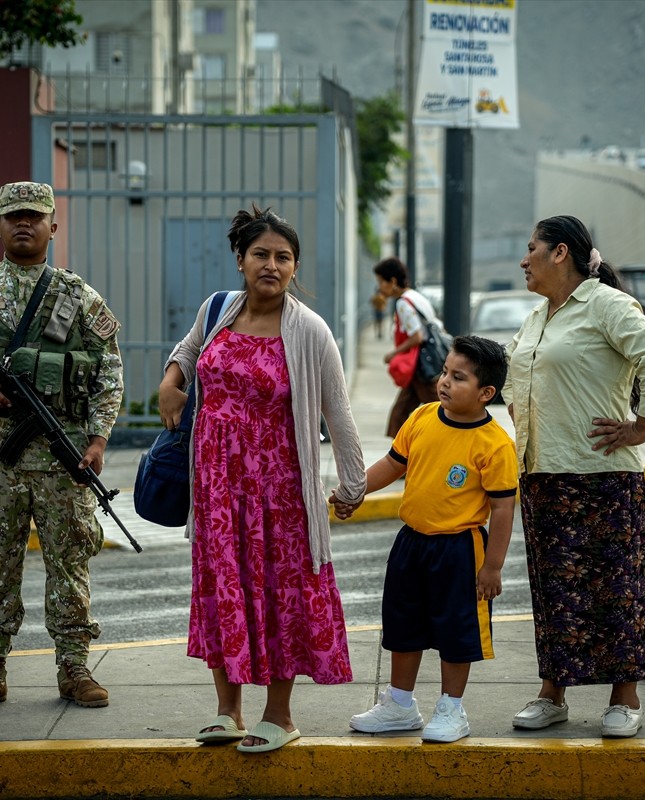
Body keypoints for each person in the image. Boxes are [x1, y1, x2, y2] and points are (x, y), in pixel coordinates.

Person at [158, 204, 367, 754]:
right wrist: (170, 381)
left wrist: (351, 486)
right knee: (223, 589)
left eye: (283, 257)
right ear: (240, 260)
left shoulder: (310, 330)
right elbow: (188, 349)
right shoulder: (217, 310)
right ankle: (228, 712)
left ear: (295, 267)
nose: (270, 265)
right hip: (218, 489)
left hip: (280, 494)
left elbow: (337, 414)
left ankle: (280, 715)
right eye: (260, 255)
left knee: (283, 598)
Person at [0, 181, 124, 712]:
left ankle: (75, 666)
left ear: (54, 226)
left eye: (36, 216)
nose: (25, 224)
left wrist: (98, 440)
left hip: (64, 459)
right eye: (14, 217)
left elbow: (108, 372)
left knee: (70, 560)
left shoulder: (77, 297)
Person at [503, 215, 645, 739]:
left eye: (531, 248)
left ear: (560, 253)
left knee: (615, 591)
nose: (524, 259)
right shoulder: (539, 317)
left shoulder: (605, 305)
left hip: (602, 477)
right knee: (554, 591)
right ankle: (552, 693)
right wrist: (520, 414)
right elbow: (515, 374)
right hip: (542, 474)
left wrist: (642, 426)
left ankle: (624, 697)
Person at [334, 335, 518, 743]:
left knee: (456, 631)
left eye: (459, 377)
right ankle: (399, 705)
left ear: (486, 393)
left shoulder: (495, 445)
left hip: (459, 550)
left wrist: (493, 566)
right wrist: (354, 491)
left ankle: (452, 709)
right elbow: (391, 464)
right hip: (411, 543)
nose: (445, 382)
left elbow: (503, 508)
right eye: (445, 373)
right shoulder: (421, 417)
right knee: (403, 623)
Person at [373, 257, 442, 437]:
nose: (380, 287)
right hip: (421, 366)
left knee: (439, 411)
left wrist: (393, 354)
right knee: (400, 412)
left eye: (381, 282)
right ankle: (403, 454)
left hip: (421, 366)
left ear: (393, 281)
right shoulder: (415, 296)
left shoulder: (403, 302)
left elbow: (417, 336)